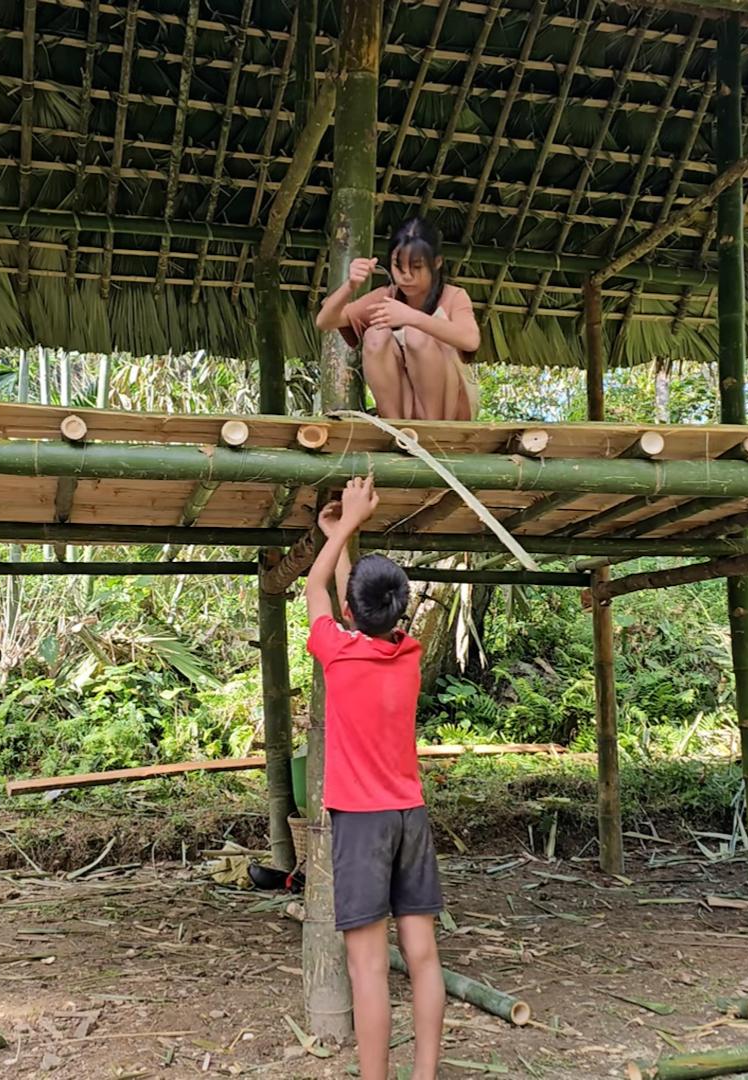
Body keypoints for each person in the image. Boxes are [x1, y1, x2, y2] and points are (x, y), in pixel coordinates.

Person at [304, 476, 446, 1080]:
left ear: (352, 613)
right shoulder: (408, 654)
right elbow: (343, 598)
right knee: (423, 956)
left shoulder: (338, 653)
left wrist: (344, 530)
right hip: (409, 816)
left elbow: (315, 585)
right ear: (401, 610)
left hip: (362, 825)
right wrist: (346, 532)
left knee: (366, 968)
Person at [315, 217, 482, 421]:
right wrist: (350, 285)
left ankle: (433, 429)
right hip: (404, 415)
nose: (406, 276)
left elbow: (471, 340)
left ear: (437, 263)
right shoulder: (386, 296)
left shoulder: (454, 296)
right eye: (398, 266)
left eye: (417, 267)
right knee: (375, 334)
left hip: (448, 412)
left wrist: (412, 317)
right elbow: (325, 321)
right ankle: (395, 430)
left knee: (416, 334)